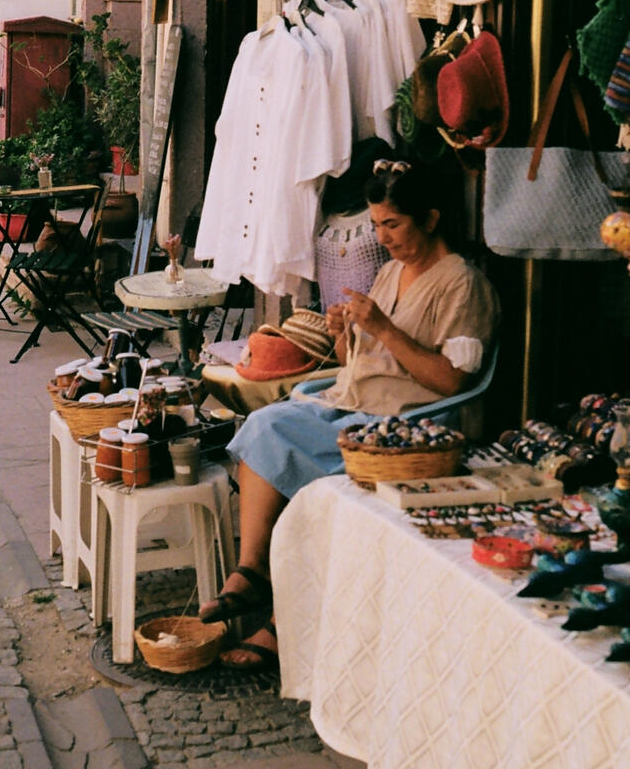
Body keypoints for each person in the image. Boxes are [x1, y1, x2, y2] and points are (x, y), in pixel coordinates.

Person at [199, 159, 500, 669]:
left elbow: (454, 380)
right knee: (263, 426)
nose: (383, 237)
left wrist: (381, 328)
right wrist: (344, 332)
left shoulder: (461, 284)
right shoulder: (389, 272)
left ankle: (281, 621)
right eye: (378, 224)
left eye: (394, 224)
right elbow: (353, 364)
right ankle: (251, 573)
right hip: (353, 408)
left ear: (430, 218)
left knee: (317, 492)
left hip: (409, 427)